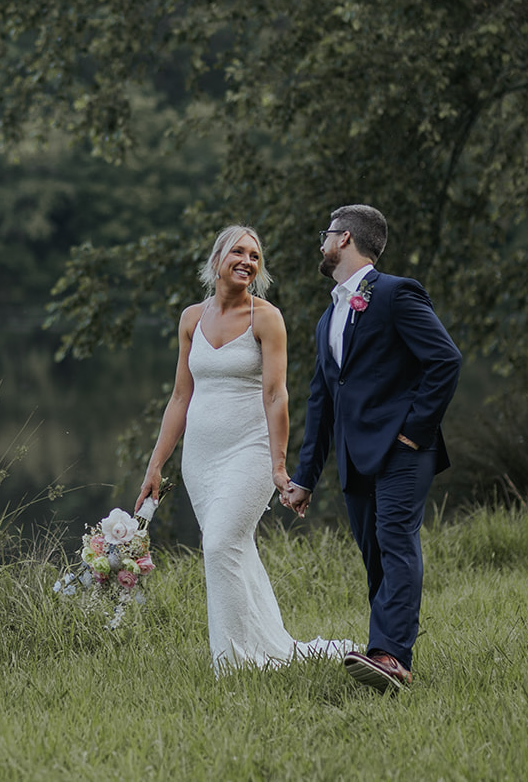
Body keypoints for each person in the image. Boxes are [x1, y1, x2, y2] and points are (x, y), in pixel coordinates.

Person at [136, 225, 354, 670]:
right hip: (201, 458)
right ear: (216, 260)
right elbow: (180, 397)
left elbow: (276, 396)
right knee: (234, 548)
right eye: (237, 251)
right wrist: (155, 465)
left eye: (254, 256)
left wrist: (278, 467)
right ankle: (270, 647)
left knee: (218, 544)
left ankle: (235, 663)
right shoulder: (191, 319)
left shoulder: (266, 318)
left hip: (250, 451)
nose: (247, 261)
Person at [281, 205, 462, 693]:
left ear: (344, 240)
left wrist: (415, 432)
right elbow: (322, 403)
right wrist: (305, 478)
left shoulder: (395, 293)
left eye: (326, 235)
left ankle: (390, 658)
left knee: (397, 542)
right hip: (354, 456)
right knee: (375, 553)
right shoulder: (329, 317)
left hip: (404, 450)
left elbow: (445, 359)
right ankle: (387, 652)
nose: (321, 244)